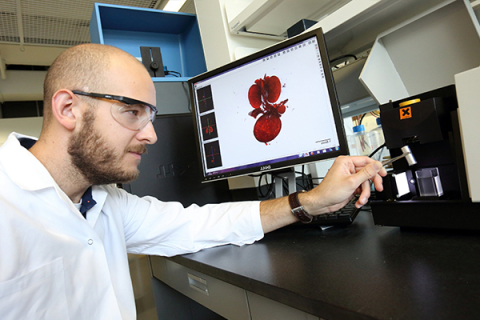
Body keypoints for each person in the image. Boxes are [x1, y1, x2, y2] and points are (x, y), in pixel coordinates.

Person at [0, 44, 386, 319]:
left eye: (149, 116)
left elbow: (199, 223)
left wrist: (312, 201)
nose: (151, 135)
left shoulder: (104, 202)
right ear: (68, 108)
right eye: (132, 112)